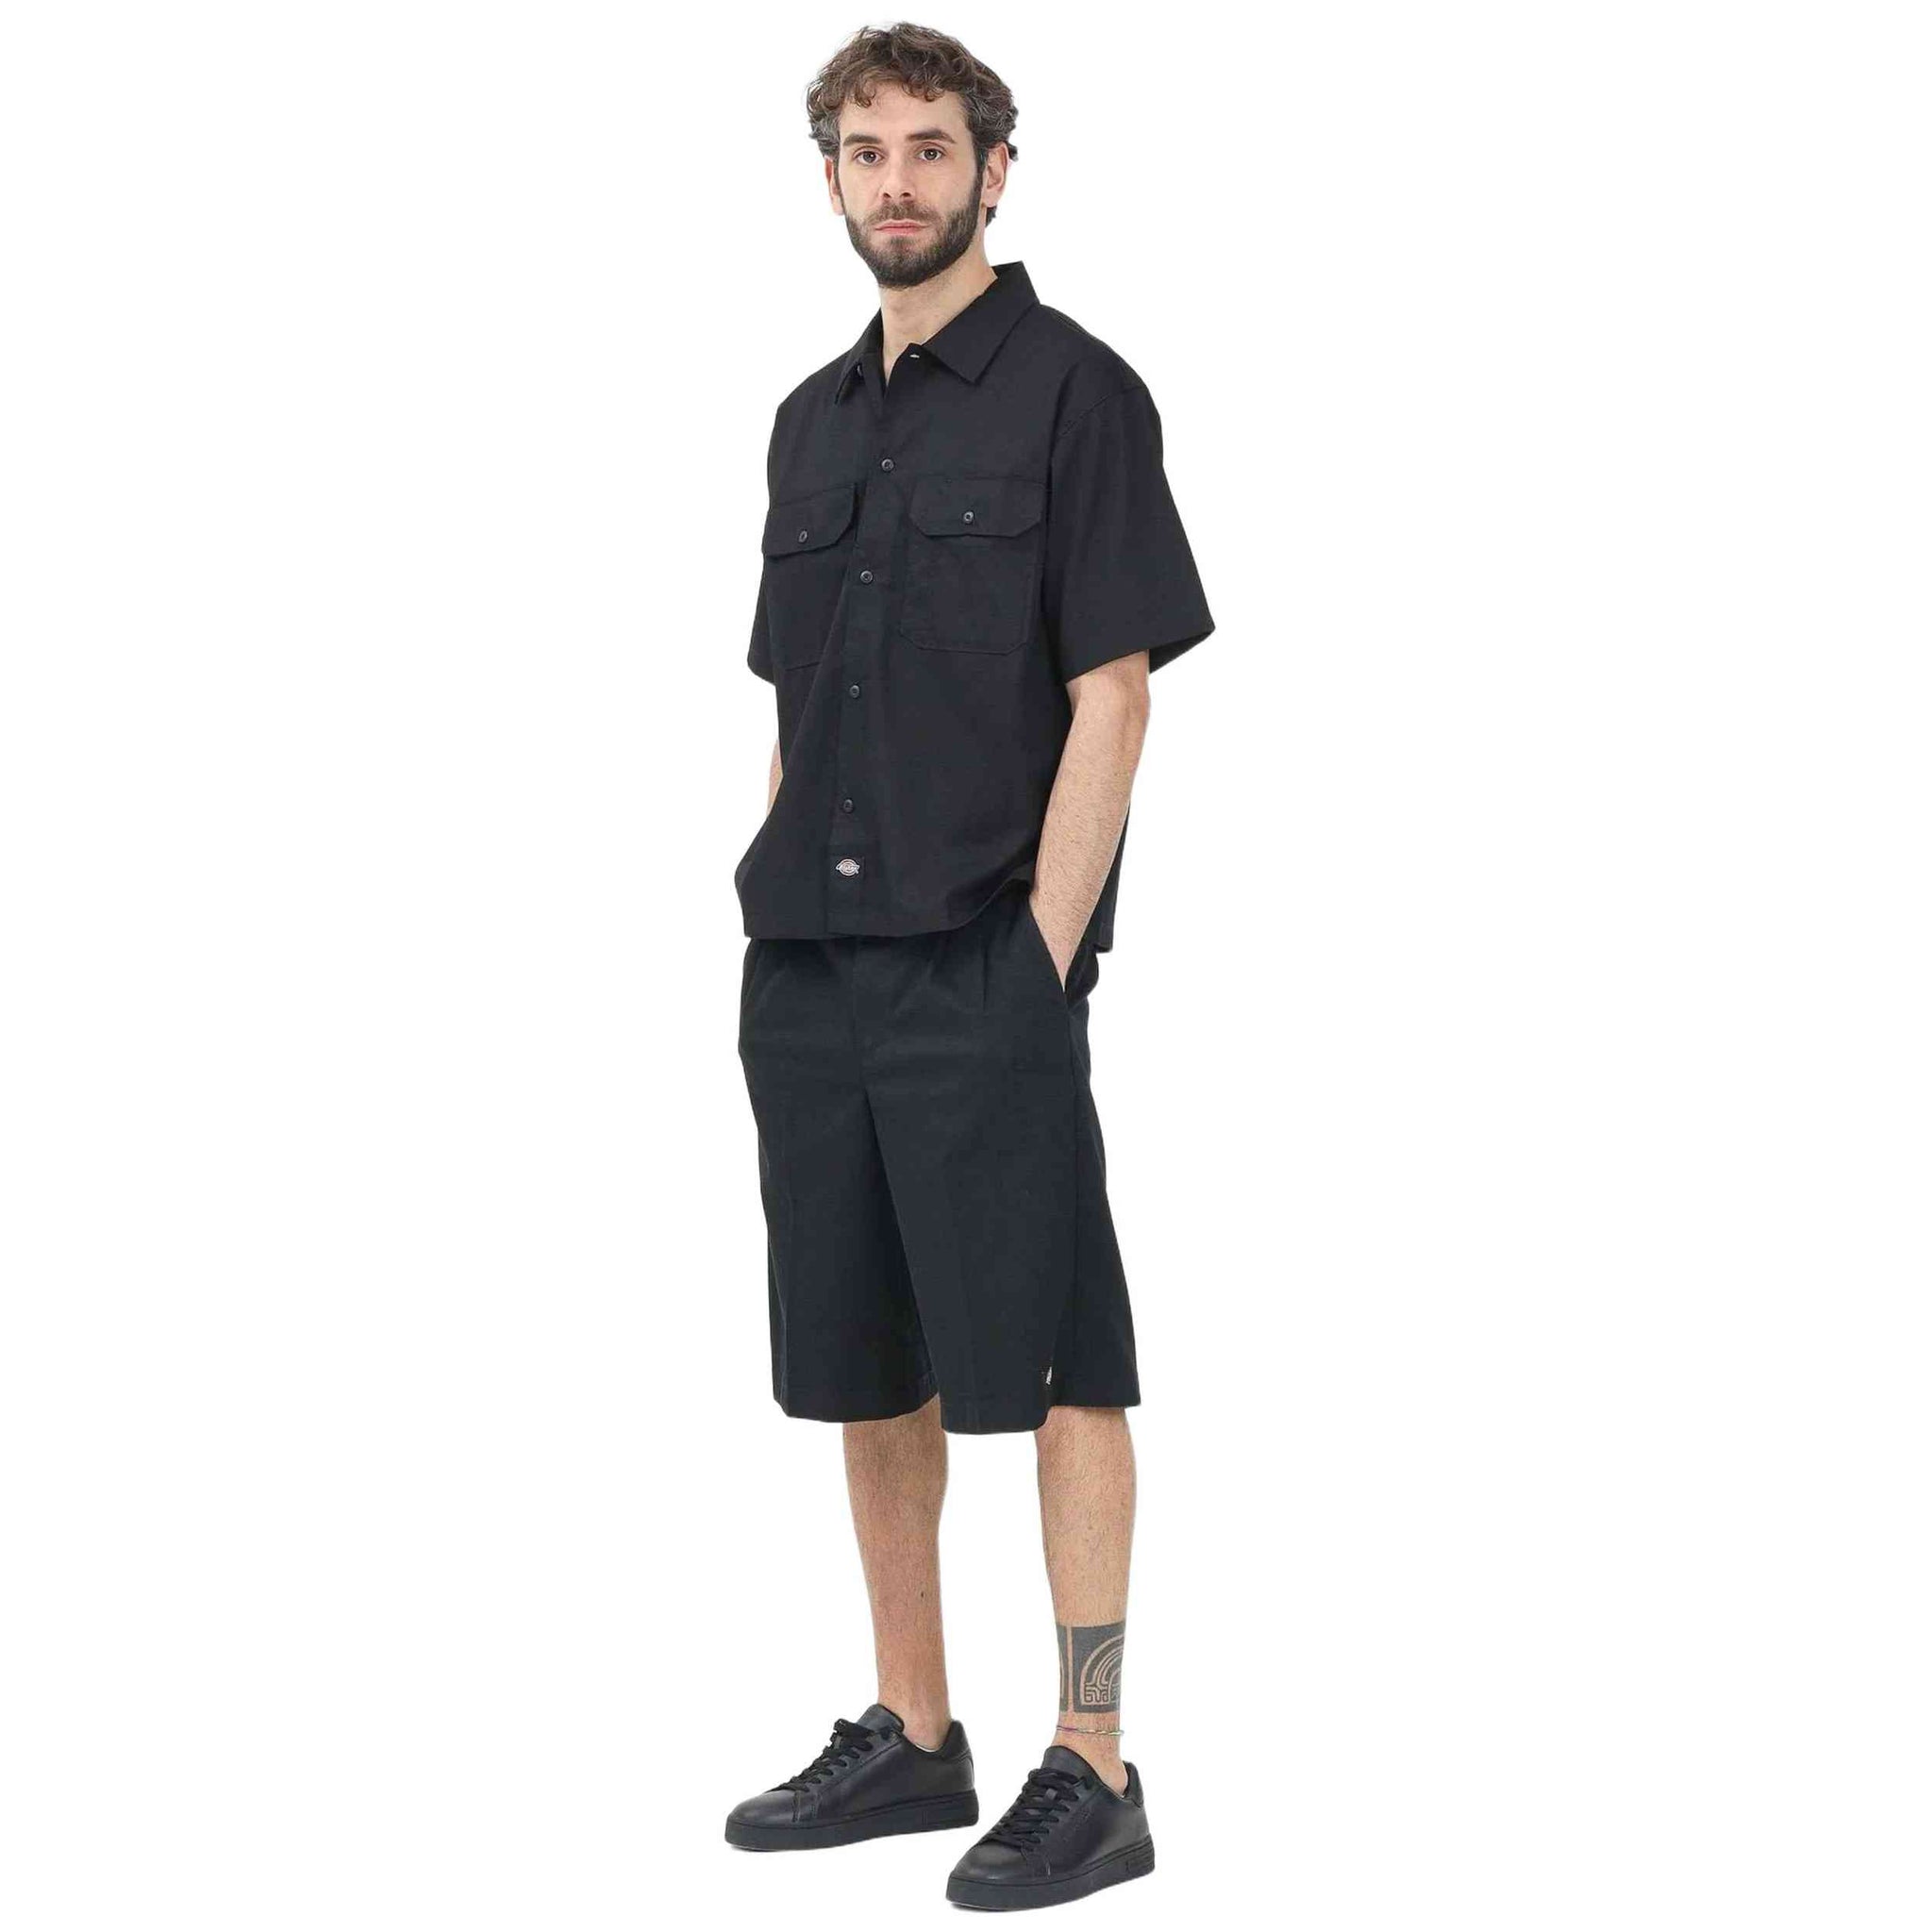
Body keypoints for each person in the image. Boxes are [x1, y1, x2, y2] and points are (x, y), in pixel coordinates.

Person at [726, 23, 1213, 1911]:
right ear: (831, 178)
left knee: (1063, 1351)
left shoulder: (1077, 394)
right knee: (865, 1360)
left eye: (931, 147)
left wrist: (1038, 955)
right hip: (812, 971)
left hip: (982, 965)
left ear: (996, 169)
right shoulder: (807, 423)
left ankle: (1094, 1759)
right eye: (866, 151)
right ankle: (915, 1732)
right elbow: (796, 704)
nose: (899, 181)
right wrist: (767, 900)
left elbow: (1115, 692)